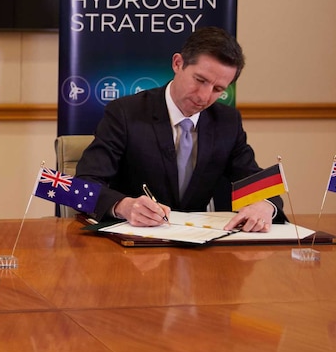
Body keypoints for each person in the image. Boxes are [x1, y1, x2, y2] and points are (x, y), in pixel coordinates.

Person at [75, 26, 285, 232]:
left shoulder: (226, 122)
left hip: (197, 245)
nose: (204, 96)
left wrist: (265, 206)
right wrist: (123, 206)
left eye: (218, 89)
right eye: (200, 80)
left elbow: (256, 182)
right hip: (133, 245)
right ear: (178, 63)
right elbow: (82, 185)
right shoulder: (125, 113)